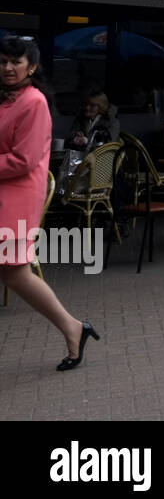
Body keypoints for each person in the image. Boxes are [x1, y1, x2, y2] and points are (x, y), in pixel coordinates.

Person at [0, 37, 100, 371]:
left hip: (14, 200)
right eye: (3, 61)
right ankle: (74, 328)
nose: (8, 68)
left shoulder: (34, 102)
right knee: (16, 275)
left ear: (32, 66)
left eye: (16, 62)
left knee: (16, 274)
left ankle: (73, 327)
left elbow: (23, 160)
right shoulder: (6, 98)